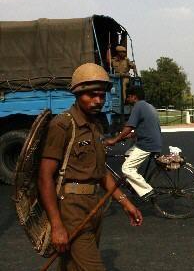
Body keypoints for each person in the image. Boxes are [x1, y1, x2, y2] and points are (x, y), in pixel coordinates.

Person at [38, 63, 143, 271]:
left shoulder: (95, 126)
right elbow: (44, 178)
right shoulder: (62, 125)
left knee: (72, 267)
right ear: (77, 94)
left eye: (102, 96)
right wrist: (57, 225)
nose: (98, 101)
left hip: (94, 207)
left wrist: (125, 203)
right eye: (92, 95)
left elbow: (101, 171)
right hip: (71, 209)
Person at [105, 85, 162, 201]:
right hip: (151, 141)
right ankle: (134, 183)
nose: (127, 99)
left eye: (128, 97)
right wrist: (129, 136)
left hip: (147, 144)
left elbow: (129, 127)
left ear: (133, 97)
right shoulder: (148, 106)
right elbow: (144, 127)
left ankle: (147, 191)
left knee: (126, 168)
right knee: (127, 155)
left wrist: (114, 140)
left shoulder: (138, 106)